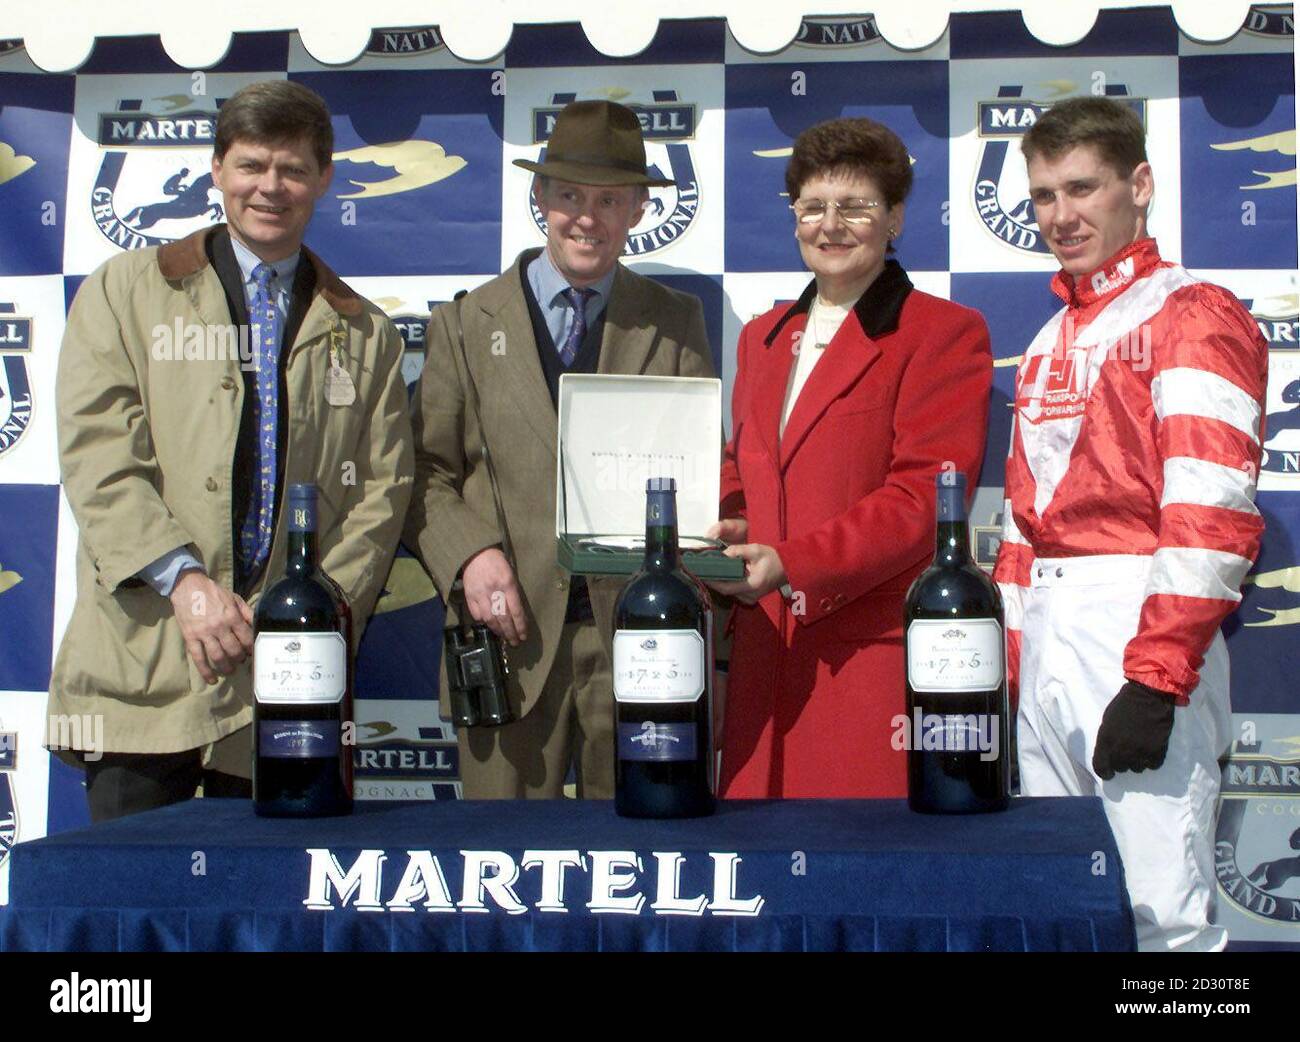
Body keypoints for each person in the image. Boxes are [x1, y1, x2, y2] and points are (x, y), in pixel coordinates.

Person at [51, 80, 413, 822]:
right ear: (216, 169)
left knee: (264, 914)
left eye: (291, 169)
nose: (269, 187)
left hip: (281, 687)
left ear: (324, 180)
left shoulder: (367, 332)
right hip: (144, 668)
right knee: (133, 914)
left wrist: (304, 614)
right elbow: (99, 456)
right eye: (251, 165)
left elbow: (384, 491)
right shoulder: (125, 292)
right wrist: (184, 582)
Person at [993, 96, 1268, 951]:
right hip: (1046, 632)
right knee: (1055, 903)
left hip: (1138, 625)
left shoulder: (1195, 312)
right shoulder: (1045, 337)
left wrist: (1156, 677)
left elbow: (1211, 508)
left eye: (1083, 188)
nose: (1061, 216)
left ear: (1139, 185)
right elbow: (1019, 525)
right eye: (1042, 196)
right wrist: (1006, 662)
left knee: (1163, 917)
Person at [403, 100, 715, 799]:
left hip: (637, 636)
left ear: (638, 209)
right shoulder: (462, 323)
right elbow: (424, 472)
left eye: (609, 200)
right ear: (539, 197)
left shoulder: (675, 321)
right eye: (569, 194)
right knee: (501, 872)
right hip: (506, 638)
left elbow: (699, 472)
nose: (587, 216)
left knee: (642, 857)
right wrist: (470, 557)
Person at [708, 117, 992, 797]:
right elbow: (738, 466)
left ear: (894, 218)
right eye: (812, 207)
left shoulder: (944, 333)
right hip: (761, 662)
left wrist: (795, 563)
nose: (830, 225)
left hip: (862, 665)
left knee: (869, 880)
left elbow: (926, 496)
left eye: (856, 206)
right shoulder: (762, 337)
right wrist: (725, 526)